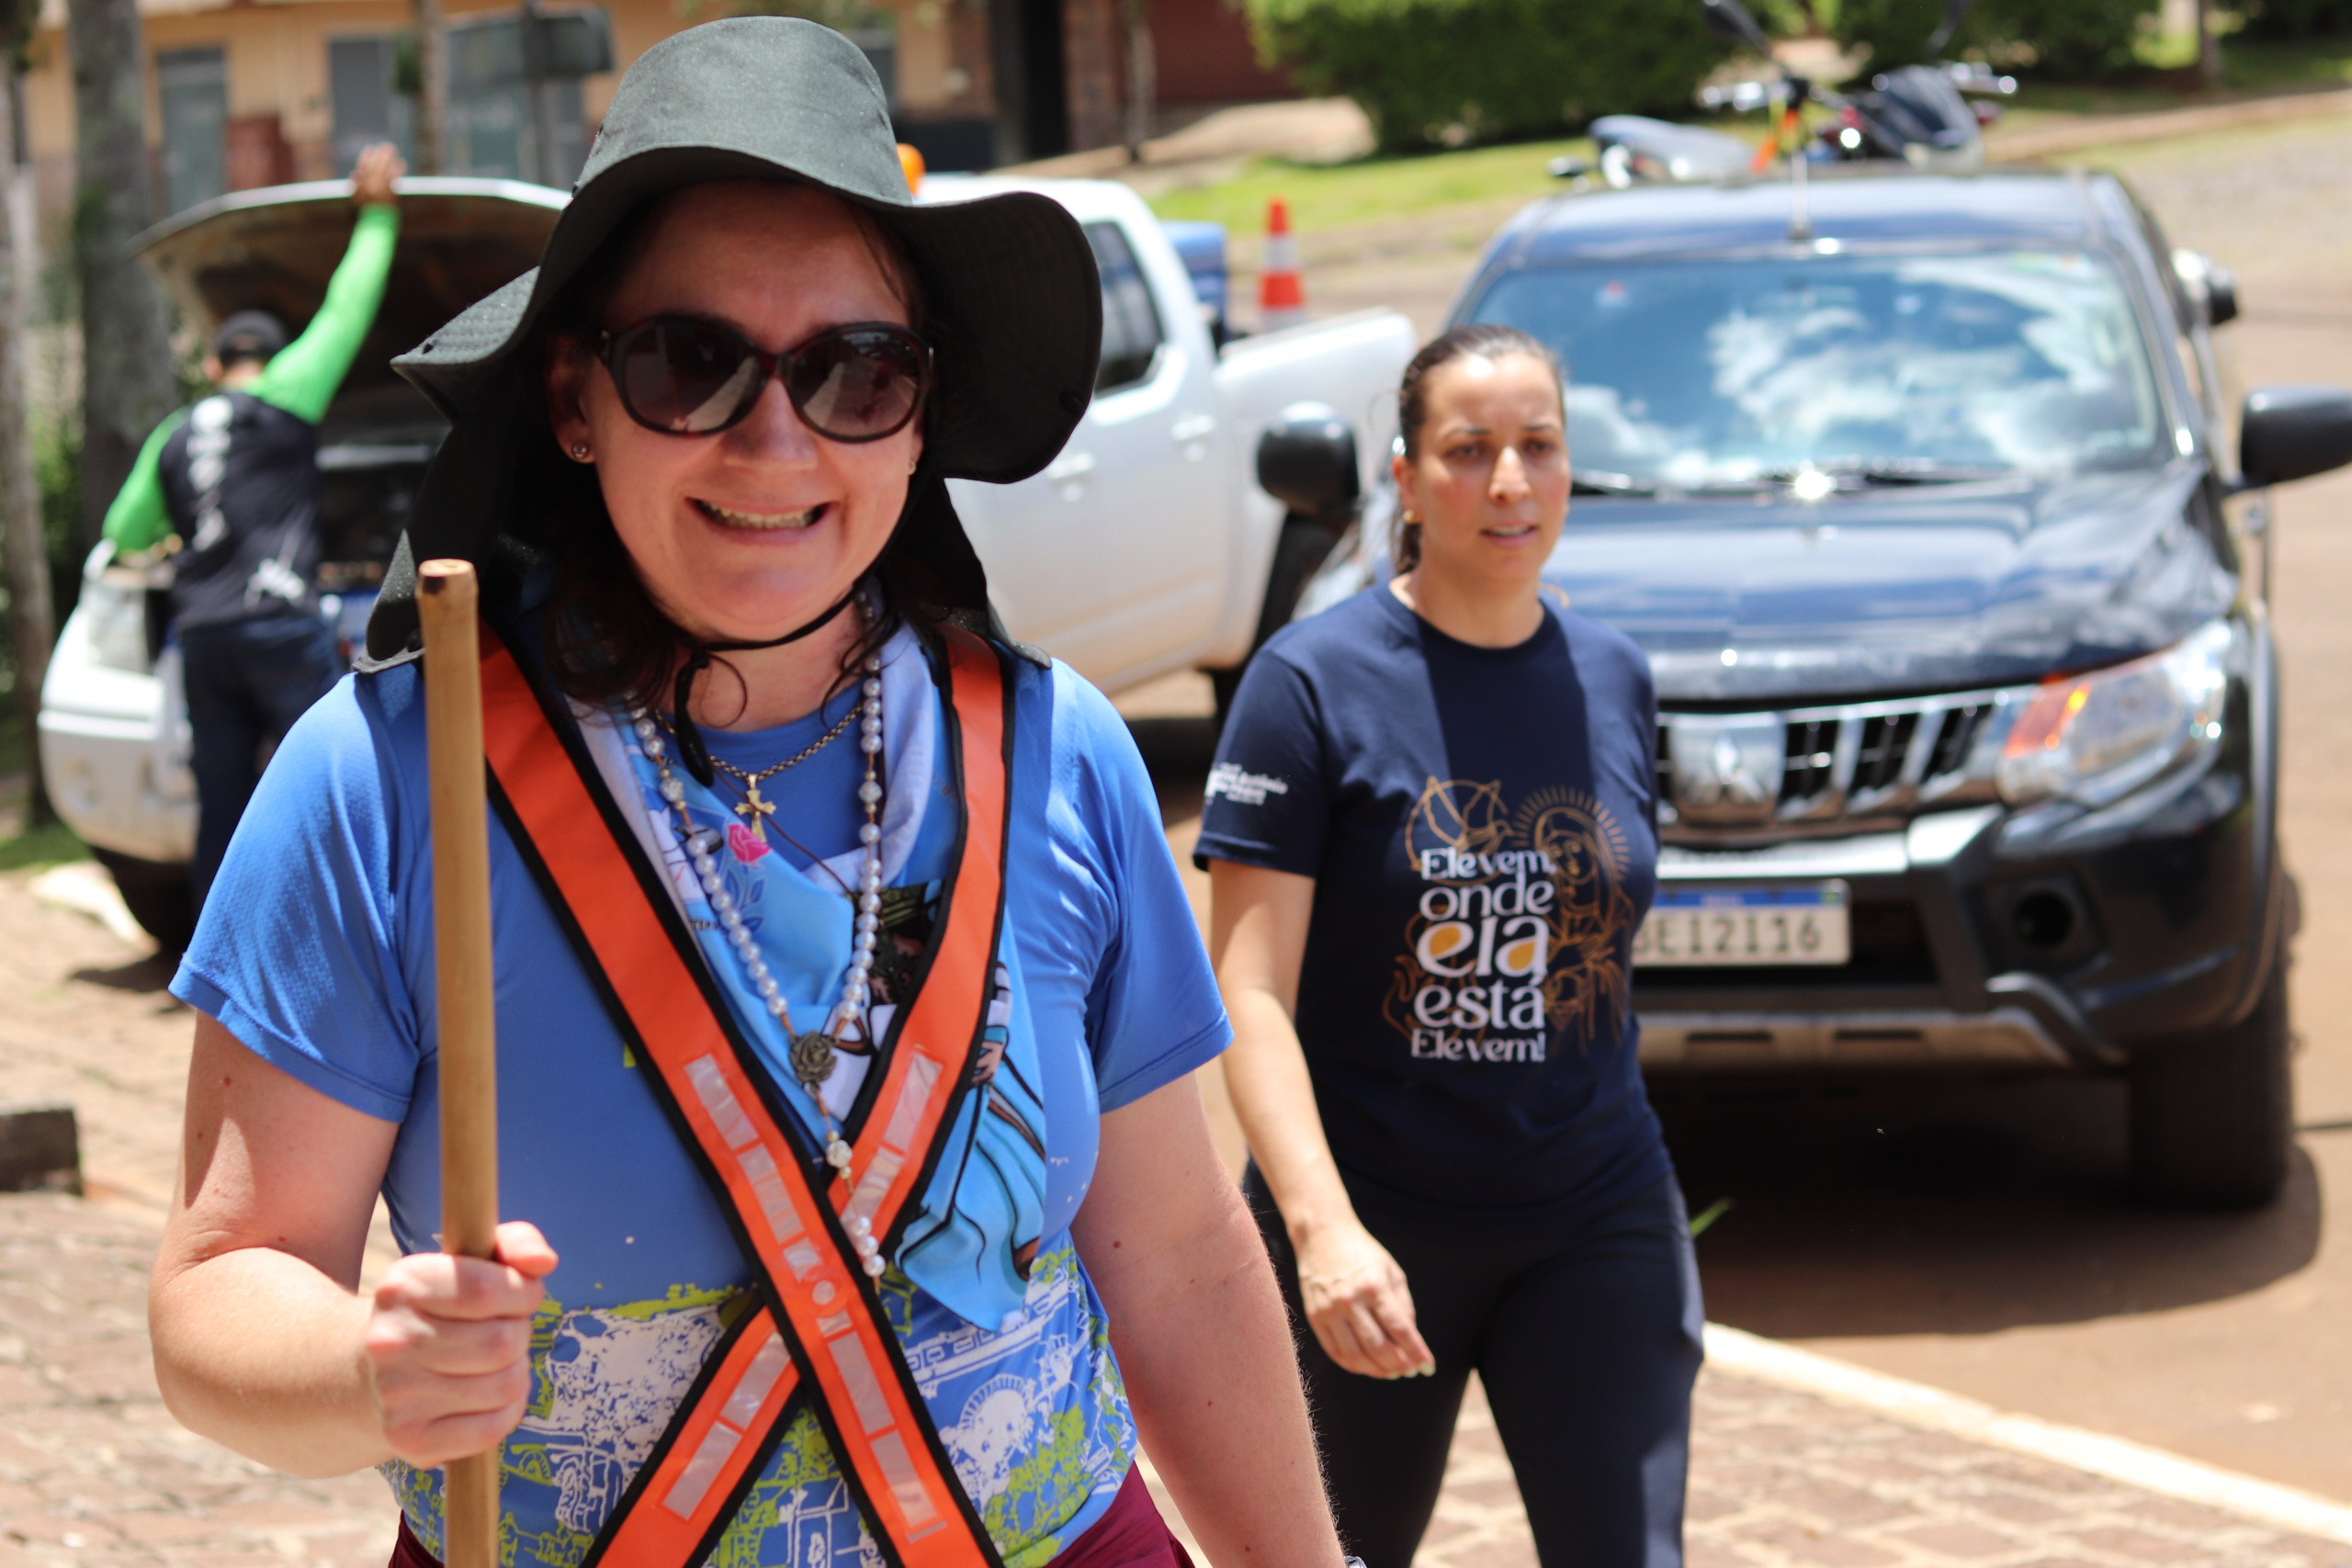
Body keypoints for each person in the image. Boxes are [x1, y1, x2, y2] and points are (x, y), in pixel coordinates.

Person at [146, 23, 1342, 1568]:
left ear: (920, 417)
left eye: (858, 369)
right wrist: (369, 1367)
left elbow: (1175, 1259)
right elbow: (219, 1290)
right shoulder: (385, 782)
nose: (775, 439)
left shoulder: (1060, 753)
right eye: (690, 360)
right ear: (575, 398)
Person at [1198, 323, 1702, 1568]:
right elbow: (1248, 992)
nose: (1511, 483)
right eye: (1470, 451)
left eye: (1539, 446)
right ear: (1408, 477)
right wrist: (1320, 1233)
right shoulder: (1308, 685)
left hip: (1596, 1212)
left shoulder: (1616, 674)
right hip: (1373, 1227)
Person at [103, 141, 406, 914]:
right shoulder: (287, 390)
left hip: (203, 637)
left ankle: (221, 963)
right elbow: (348, 307)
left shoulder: (173, 432)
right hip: (278, 624)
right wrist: (375, 216)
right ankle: (353, 946)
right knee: (333, 788)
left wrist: (182, 535)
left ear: (211, 366)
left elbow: (125, 530)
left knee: (225, 806)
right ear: (272, 358)